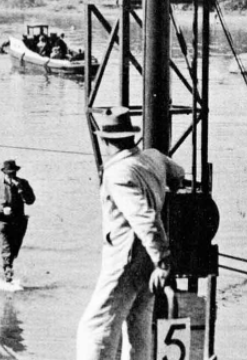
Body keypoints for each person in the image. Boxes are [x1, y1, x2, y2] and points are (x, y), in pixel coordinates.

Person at [75, 107, 185, 360]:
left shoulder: (117, 173)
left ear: (104, 139)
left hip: (126, 258)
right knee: (138, 325)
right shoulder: (153, 157)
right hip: (147, 262)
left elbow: (145, 218)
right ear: (131, 135)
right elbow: (178, 175)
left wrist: (164, 261)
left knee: (96, 326)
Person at [0, 160, 37, 282]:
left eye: (13, 172)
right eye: (9, 173)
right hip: (2, 223)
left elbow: (30, 201)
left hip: (19, 223)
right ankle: (8, 272)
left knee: (14, 251)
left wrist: (21, 190)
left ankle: (8, 268)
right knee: (6, 249)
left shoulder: (23, 183)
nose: (11, 175)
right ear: (4, 172)